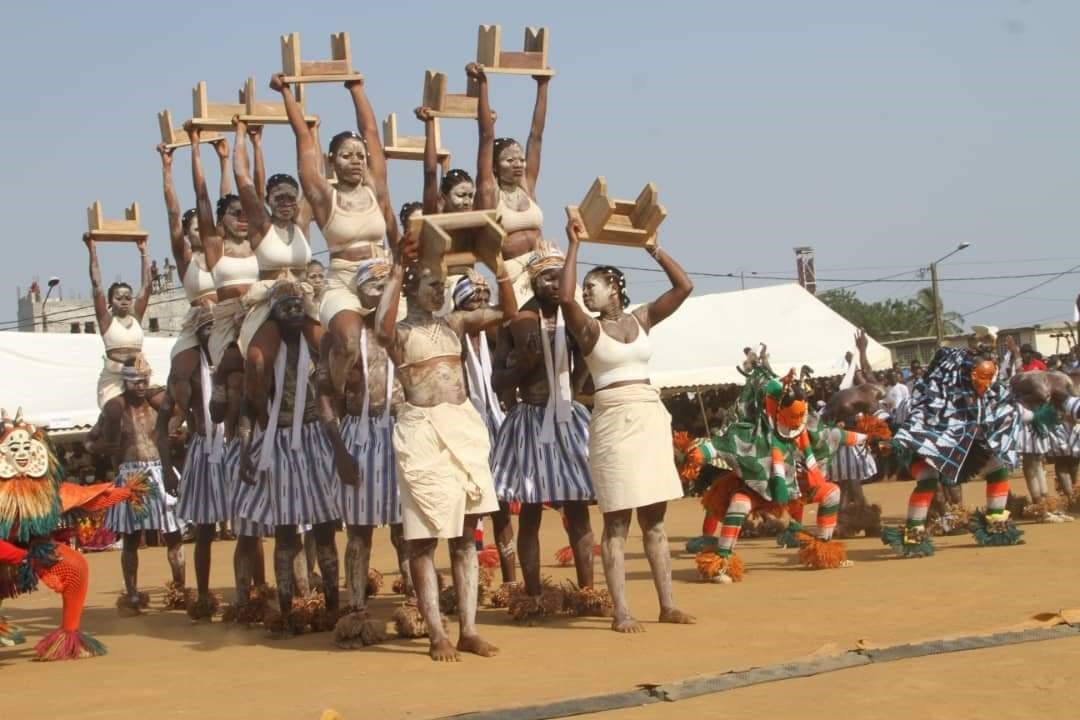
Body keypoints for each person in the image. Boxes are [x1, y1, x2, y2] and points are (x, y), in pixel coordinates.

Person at [374, 239, 516, 661]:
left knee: (466, 536)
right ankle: (437, 633)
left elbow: (507, 312)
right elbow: (380, 330)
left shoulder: (455, 323)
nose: (440, 291)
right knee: (422, 541)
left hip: (462, 429)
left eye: (442, 285)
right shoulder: (400, 332)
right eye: (432, 285)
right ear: (412, 288)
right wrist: (396, 269)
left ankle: (469, 629)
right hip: (421, 434)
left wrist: (500, 267)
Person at [558, 218, 695, 633]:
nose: (585, 292)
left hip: (649, 417)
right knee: (616, 522)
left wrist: (653, 248)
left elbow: (684, 287)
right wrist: (574, 245)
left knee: (655, 520)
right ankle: (622, 612)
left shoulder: (642, 319)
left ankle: (668, 605)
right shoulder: (590, 330)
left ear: (614, 288)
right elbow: (564, 298)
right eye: (585, 287)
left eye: (593, 286)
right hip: (613, 422)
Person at [271, 73, 397, 397]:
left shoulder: (376, 189)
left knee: (405, 341)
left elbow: (371, 133)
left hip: (382, 275)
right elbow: (304, 145)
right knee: (349, 343)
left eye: (360, 155)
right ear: (332, 161)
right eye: (346, 155)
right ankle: (335, 396)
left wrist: (357, 90)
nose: (355, 161)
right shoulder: (325, 198)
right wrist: (286, 94)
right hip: (343, 281)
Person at [237, 280, 353, 633]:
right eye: (284, 307)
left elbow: (331, 393)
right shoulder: (265, 353)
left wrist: (340, 449)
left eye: (297, 306)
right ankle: (287, 612)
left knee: (325, 530)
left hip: (317, 439)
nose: (292, 312)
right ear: (273, 313)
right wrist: (246, 450)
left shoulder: (315, 348)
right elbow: (248, 404)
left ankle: (332, 607)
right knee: (285, 534)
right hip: (281, 441)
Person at [491, 242, 598, 615]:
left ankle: (588, 593)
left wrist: (576, 391)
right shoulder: (517, 321)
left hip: (568, 418)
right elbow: (498, 380)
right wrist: (523, 365)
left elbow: (587, 361)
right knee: (531, 509)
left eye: (559, 278)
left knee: (578, 508)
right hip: (532, 422)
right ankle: (533, 596)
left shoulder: (574, 318)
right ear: (534, 281)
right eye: (548, 278)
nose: (555, 284)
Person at [0, 409, 154, 660]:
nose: (22, 454)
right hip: (8, 552)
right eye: (14, 448)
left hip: (38, 550)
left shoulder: (47, 490)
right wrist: (18, 557)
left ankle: (68, 636)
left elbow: (87, 498)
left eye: (26, 447)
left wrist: (127, 492)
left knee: (76, 567)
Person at [326, 258, 410, 648]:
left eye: (385, 284)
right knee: (358, 532)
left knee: (406, 528)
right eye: (373, 286)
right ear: (358, 293)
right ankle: (357, 611)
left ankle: (415, 605)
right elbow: (326, 398)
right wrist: (340, 451)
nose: (380, 292)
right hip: (359, 437)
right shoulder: (345, 337)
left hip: (402, 431)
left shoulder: (404, 330)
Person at [885, 346, 1023, 557]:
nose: (985, 383)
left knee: (997, 469)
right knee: (928, 479)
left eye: (989, 376)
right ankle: (913, 537)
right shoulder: (932, 395)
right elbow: (916, 424)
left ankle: (996, 526)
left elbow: (1008, 410)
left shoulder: (988, 393)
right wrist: (897, 442)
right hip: (919, 446)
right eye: (981, 377)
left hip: (957, 446)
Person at [231, 117, 321, 426]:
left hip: (303, 299)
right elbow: (242, 177)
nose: (285, 202)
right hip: (269, 303)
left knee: (335, 349)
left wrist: (312, 134)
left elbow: (314, 175)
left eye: (290, 197)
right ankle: (258, 411)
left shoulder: (303, 222)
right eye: (278, 197)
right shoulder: (261, 225)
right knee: (257, 361)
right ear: (267, 201)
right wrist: (240, 134)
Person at [89, 359, 186, 613]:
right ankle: (132, 595)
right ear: (125, 381)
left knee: (173, 534)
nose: (141, 386)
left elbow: (181, 414)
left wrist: (175, 432)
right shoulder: (114, 409)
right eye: (136, 381)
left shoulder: (159, 405)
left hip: (159, 470)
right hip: (130, 476)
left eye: (145, 380)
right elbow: (90, 439)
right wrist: (100, 447)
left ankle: (179, 590)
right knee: (131, 539)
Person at [157, 308, 226, 619]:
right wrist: (167, 470)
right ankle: (202, 597)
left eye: (215, 326)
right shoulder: (183, 374)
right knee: (205, 529)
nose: (211, 332)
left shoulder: (231, 361)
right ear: (196, 335)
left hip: (233, 447)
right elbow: (161, 427)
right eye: (205, 328)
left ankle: (255, 595)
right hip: (203, 450)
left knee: (249, 527)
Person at [187, 125, 256, 435]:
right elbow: (204, 198)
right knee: (235, 379)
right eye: (234, 213)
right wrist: (195, 148)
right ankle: (219, 387)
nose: (242, 218)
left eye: (245, 213)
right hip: (227, 318)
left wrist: (247, 145)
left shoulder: (258, 242)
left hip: (258, 311)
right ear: (221, 220)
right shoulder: (216, 247)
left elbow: (252, 186)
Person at [157, 142, 222, 437]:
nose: (202, 232)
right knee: (180, 372)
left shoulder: (220, 250)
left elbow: (221, 199)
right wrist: (167, 169)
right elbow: (173, 214)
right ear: (187, 233)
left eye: (204, 228)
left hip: (224, 316)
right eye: (195, 229)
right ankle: (184, 412)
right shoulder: (185, 258)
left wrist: (221, 159)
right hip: (196, 322)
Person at [471, 63, 550, 305]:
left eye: (521, 159)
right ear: (495, 166)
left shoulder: (527, 187)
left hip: (544, 267)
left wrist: (543, 85)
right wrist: (482, 83)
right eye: (509, 160)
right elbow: (486, 136)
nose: (518, 164)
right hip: (513, 275)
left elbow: (536, 136)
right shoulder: (489, 192)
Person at [84, 231, 152, 450]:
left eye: (128, 298)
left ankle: (165, 434)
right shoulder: (106, 321)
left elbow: (147, 287)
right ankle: (109, 442)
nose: (124, 301)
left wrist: (143, 253)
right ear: (111, 301)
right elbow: (97, 285)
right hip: (114, 377)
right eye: (118, 297)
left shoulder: (136, 317)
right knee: (114, 411)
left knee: (167, 401)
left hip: (140, 374)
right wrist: (92, 250)